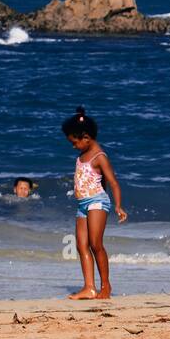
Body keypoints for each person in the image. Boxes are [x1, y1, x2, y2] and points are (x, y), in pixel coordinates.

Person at [61, 107, 127, 299]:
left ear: (86, 137)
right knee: (82, 246)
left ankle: (105, 286)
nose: (73, 146)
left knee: (96, 244)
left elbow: (113, 183)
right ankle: (89, 287)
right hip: (82, 205)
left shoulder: (100, 157)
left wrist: (117, 206)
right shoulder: (81, 156)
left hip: (97, 202)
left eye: (75, 142)